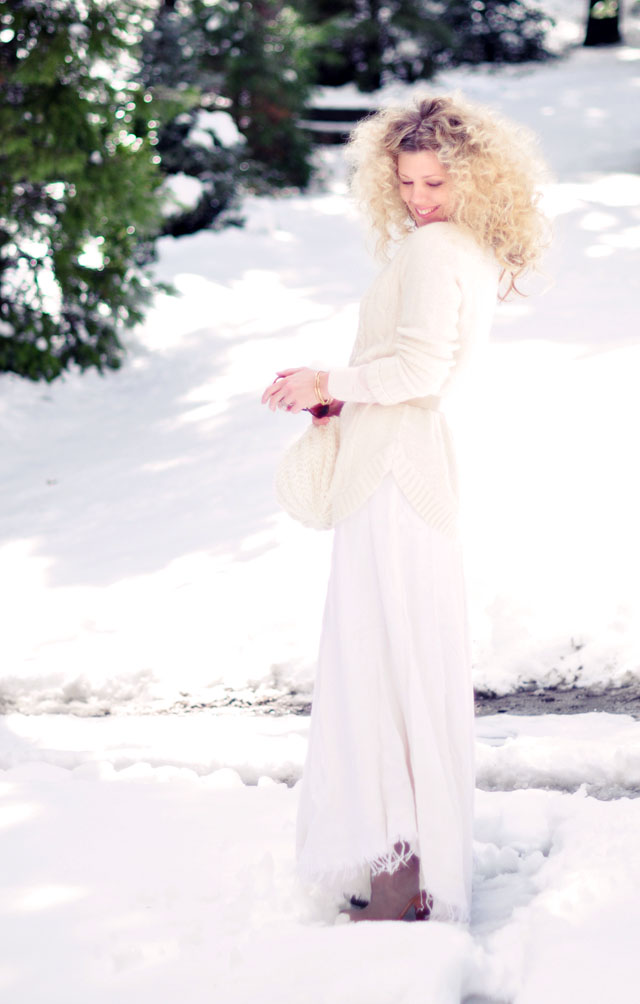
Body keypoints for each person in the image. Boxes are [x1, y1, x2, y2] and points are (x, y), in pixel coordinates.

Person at [261, 95, 548, 923]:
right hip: (405, 464)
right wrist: (338, 401)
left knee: (381, 665)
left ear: (476, 177)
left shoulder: (435, 253)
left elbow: (420, 371)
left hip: (398, 476)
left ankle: (399, 887)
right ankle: (402, 873)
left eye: (438, 181)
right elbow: (412, 370)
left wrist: (330, 383)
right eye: (409, 181)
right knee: (397, 662)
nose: (422, 197)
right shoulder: (464, 249)